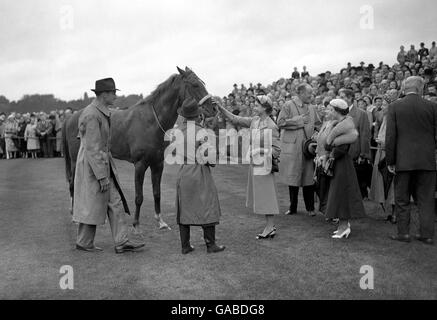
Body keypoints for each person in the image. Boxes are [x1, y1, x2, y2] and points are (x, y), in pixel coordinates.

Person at [73, 78, 145, 253]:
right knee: (96, 202)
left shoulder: (99, 112)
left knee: (112, 201)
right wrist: (102, 176)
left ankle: (119, 241)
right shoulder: (92, 114)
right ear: (103, 94)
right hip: (94, 165)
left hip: (99, 163)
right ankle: (87, 241)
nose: (115, 95)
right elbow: (92, 148)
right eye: (113, 92)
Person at [215, 94, 281, 239]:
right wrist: (220, 108)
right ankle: (270, 226)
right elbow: (234, 119)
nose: (254, 107)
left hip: (264, 165)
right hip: (255, 164)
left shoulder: (271, 126)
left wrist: (260, 151)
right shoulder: (255, 121)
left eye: (257, 105)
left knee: (266, 197)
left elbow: (277, 150)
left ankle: (270, 227)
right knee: (261, 197)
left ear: (265, 108)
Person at [386, 76, 437, 245]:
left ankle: (404, 233)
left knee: (402, 199)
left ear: (404, 88)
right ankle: (427, 235)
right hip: (427, 161)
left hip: (403, 161)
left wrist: (390, 160)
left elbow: (391, 137)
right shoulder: (432, 106)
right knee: (426, 200)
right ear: (420, 88)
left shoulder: (395, 106)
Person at [174, 98, 225, 254]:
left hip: (184, 172)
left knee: (184, 208)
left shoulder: (178, 131)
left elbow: (174, 151)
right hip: (199, 171)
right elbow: (209, 156)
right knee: (207, 204)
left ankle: (185, 246)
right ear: (198, 115)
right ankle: (211, 244)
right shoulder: (201, 132)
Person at [324, 99, 366, 238]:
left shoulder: (345, 126)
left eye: (331, 109)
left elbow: (340, 148)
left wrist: (331, 153)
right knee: (339, 193)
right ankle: (343, 226)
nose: (329, 111)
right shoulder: (341, 124)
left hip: (342, 163)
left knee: (342, 194)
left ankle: (343, 227)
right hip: (341, 163)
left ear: (337, 111)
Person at [278, 84, 321, 216]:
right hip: (293, 149)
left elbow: (318, 125)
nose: (311, 96)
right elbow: (280, 122)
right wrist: (299, 121)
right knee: (293, 178)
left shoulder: (312, 108)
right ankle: (293, 207)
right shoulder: (288, 105)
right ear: (301, 93)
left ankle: (310, 209)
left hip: (308, 149)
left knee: (309, 178)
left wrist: (316, 134)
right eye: (309, 94)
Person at [339, 88, 371, 199]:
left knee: (356, 185)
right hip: (340, 153)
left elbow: (365, 135)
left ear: (350, 98)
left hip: (354, 154)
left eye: (342, 97)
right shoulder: (338, 113)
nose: (340, 99)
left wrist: (363, 154)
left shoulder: (361, 114)